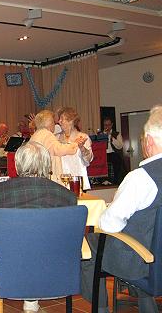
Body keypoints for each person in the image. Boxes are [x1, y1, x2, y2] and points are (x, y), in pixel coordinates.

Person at [0, 141, 77, 313]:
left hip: (7, 269)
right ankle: (31, 304)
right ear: (46, 164)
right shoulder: (67, 196)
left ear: (18, 164)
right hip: (57, 270)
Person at [81, 105, 162, 313]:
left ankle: (102, 309)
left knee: (89, 245)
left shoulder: (141, 178)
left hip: (144, 261)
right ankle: (145, 301)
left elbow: (109, 223)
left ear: (149, 141)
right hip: (155, 256)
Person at [29, 110, 82, 185]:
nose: (55, 125)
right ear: (49, 123)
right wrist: (75, 144)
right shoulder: (46, 134)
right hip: (48, 175)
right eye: (53, 122)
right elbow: (59, 150)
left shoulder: (36, 134)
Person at [57, 107, 93, 190]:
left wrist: (82, 148)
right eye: (59, 119)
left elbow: (88, 159)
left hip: (77, 181)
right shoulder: (56, 138)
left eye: (62, 119)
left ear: (71, 121)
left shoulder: (83, 137)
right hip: (60, 182)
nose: (59, 122)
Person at [102, 116, 126, 185]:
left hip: (114, 153)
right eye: (105, 125)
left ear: (112, 125)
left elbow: (120, 146)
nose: (107, 127)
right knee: (99, 161)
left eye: (108, 125)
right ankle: (103, 181)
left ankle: (115, 181)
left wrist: (111, 137)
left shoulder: (117, 134)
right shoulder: (101, 134)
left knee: (116, 159)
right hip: (104, 154)